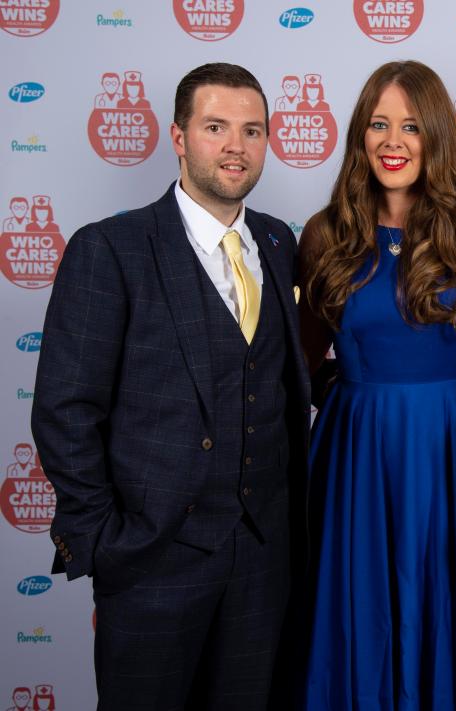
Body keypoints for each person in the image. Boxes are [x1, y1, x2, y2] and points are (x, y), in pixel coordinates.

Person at [31, 63, 310, 710]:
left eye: (252, 130)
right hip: (151, 561)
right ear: (179, 137)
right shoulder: (111, 249)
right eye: (216, 127)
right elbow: (64, 409)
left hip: (264, 564)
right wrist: (105, 539)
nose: (235, 146)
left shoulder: (278, 243)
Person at [297, 60, 456, 710]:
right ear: (360, 136)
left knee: (449, 602)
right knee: (359, 605)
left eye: (411, 125)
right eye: (378, 124)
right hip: (356, 458)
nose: (392, 141)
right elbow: (301, 363)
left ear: (437, 136)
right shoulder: (325, 233)